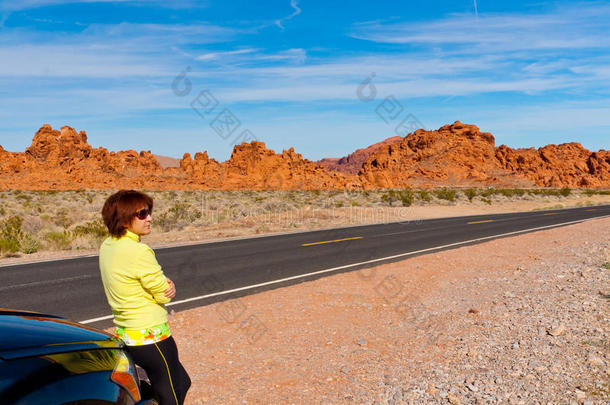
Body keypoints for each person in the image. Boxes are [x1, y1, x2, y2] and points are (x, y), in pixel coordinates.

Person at [99, 190, 191, 405]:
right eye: (141, 214)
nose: (149, 218)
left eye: (148, 212)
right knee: (173, 393)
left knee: (180, 382)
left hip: (127, 333)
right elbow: (163, 293)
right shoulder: (139, 251)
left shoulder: (108, 245)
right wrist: (169, 285)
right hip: (152, 336)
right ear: (123, 218)